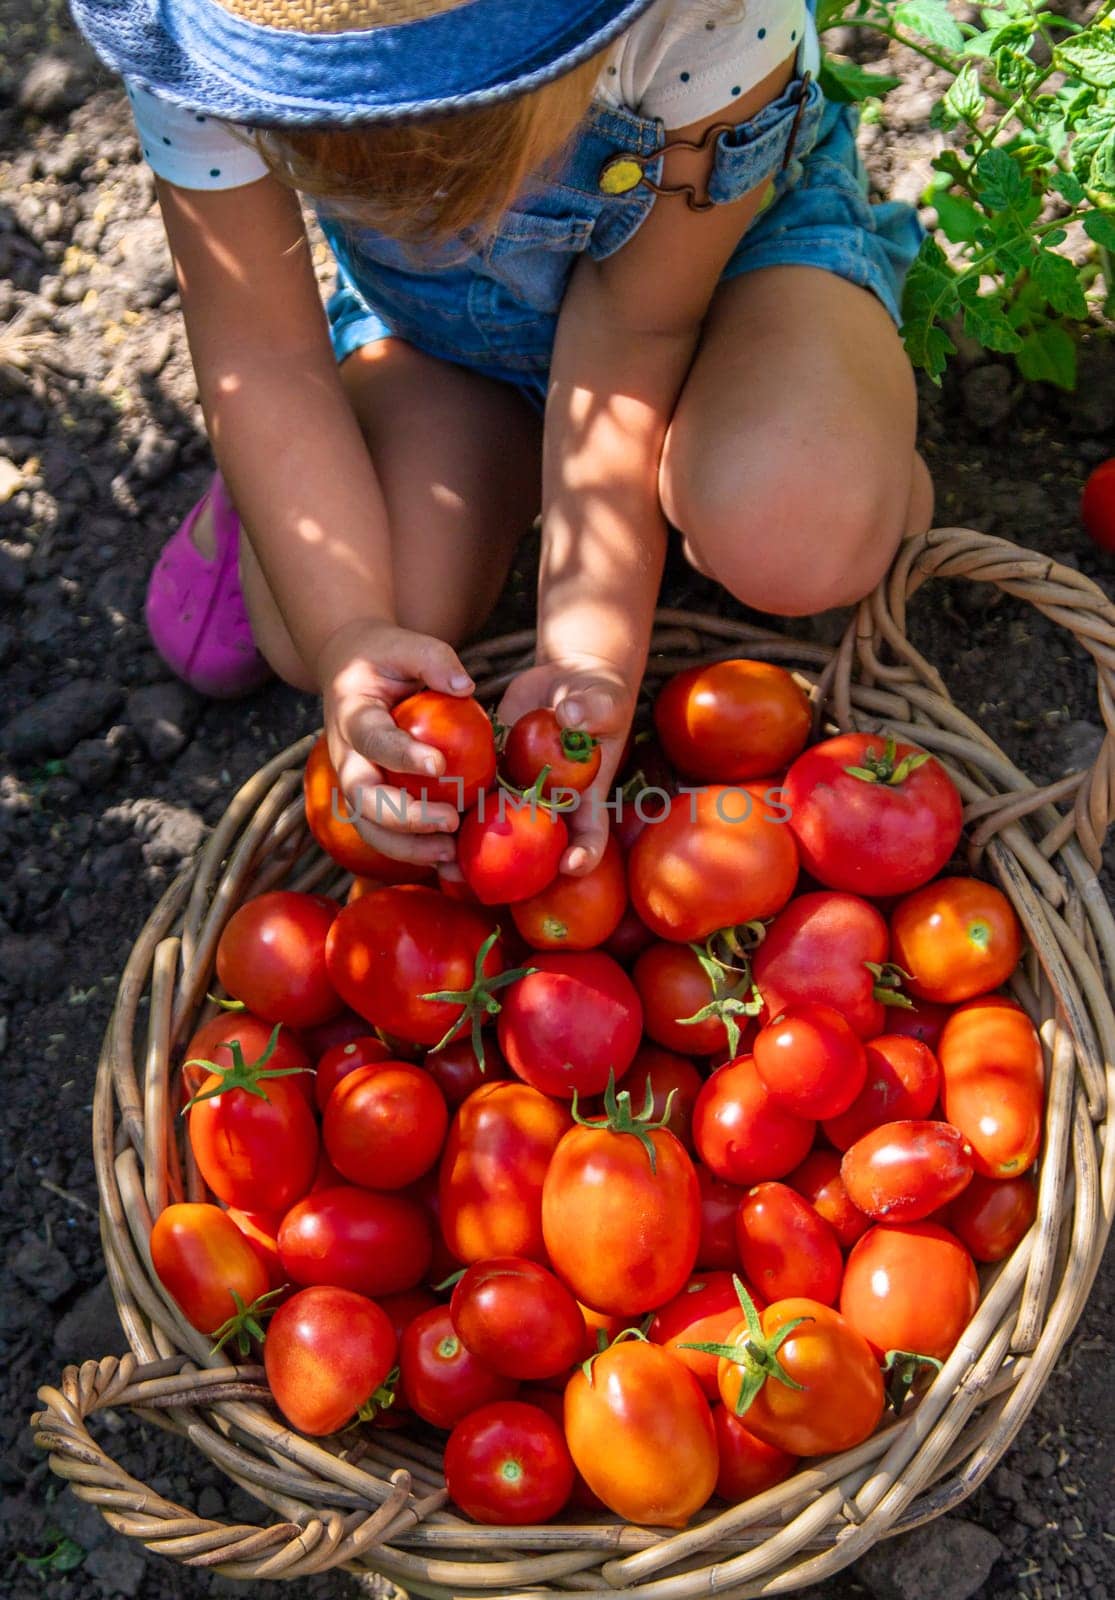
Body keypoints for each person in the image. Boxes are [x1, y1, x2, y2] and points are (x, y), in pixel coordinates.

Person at [72, 0, 929, 875]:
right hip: (440, 333)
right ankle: (312, 459)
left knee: (795, 528)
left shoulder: (701, 16)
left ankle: (817, 399)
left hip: (715, 284)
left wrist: (587, 642)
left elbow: (635, 333)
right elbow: (260, 349)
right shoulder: (200, 38)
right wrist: (346, 634)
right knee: (328, 630)